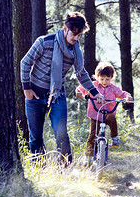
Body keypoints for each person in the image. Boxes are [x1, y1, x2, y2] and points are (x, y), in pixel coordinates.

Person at [20, 12, 104, 165]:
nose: (76, 38)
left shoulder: (75, 51)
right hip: (35, 94)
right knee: (35, 137)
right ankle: (39, 170)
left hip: (57, 95)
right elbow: (25, 63)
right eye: (74, 34)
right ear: (65, 28)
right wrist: (27, 90)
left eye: (79, 35)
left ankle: (65, 170)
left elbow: (81, 73)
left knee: (61, 134)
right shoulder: (44, 42)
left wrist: (94, 92)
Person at [76, 61, 133, 166]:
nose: (104, 81)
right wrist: (79, 92)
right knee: (92, 136)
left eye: (107, 79)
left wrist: (127, 97)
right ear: (97, 77)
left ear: (111, 78)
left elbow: (122, 94)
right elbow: (81, 88)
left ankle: (114, 137)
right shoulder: (93, 85)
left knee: (112, 118)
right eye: (102, 79)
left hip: (108, 112)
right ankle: (87, 158)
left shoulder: (113, 88)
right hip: (95, 114)